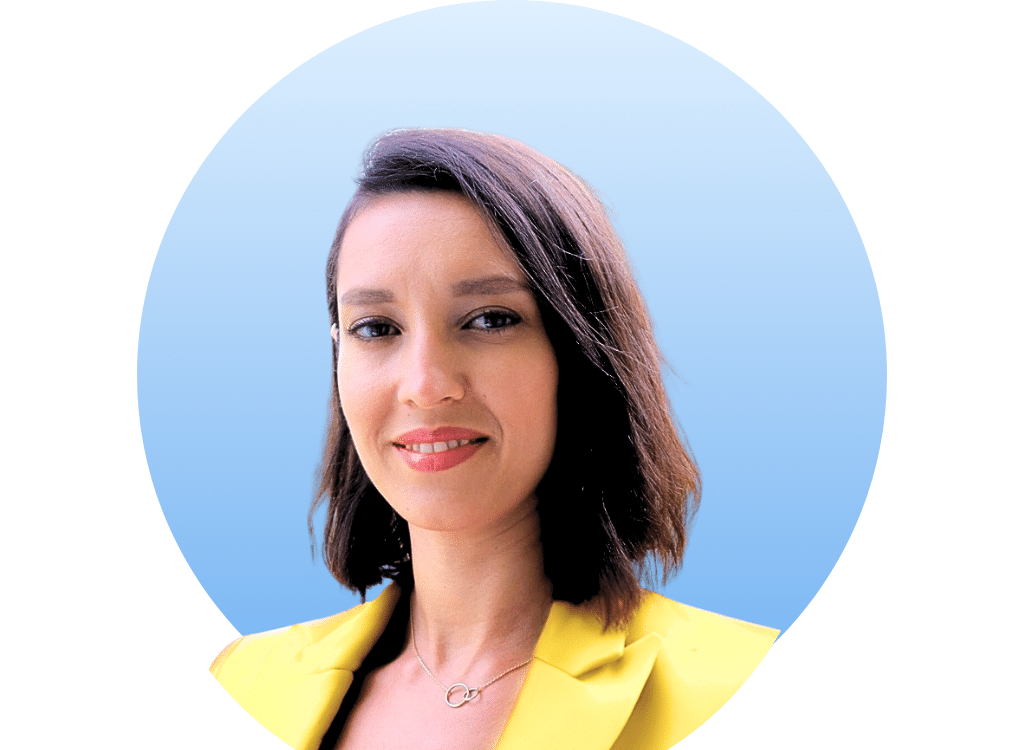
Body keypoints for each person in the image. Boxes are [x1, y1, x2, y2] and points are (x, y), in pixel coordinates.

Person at [210, 128, 778, 750]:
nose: (425, 387)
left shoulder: (752, 689)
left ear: (578, 354)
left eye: (489, 320)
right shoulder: (236, 686)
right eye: (375, 328)